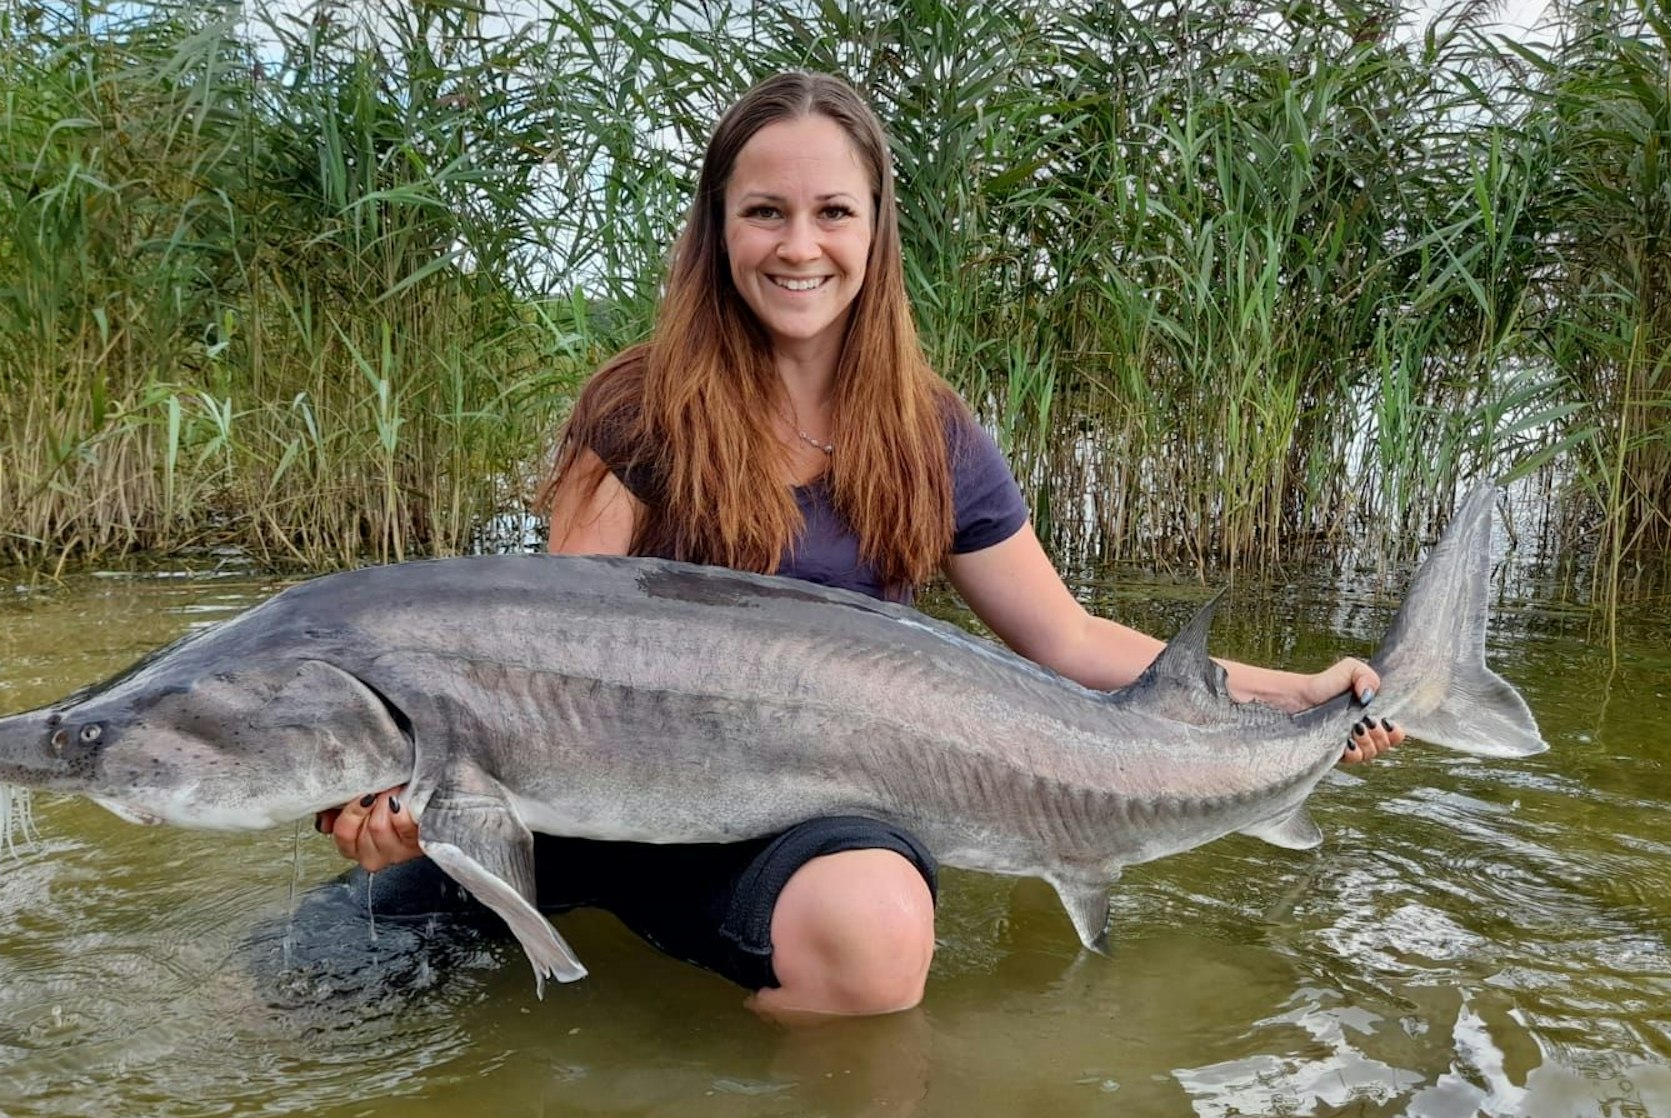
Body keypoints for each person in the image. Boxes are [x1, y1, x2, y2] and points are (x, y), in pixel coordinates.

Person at [314, 71, 1404, 1019]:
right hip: (591, 812)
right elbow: (543, 653)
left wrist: (1293, 693)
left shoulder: (932, 436)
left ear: (875, 228)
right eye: (764, 212)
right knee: (295, 983)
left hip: (793, 827)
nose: (798, 246)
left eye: (832, 211)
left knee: (878, 947)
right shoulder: (636, 409)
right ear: (718, 228)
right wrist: (406, 800)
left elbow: (1066, 639)